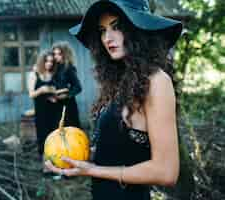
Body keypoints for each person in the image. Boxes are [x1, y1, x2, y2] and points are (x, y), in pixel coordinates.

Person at [46, 0, 183, 199]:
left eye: (117, 27)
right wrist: (73, 156)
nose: (107, 38)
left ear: (138, 29)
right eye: (102, 30)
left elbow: (166, 172)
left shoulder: (157, 82)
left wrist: (92, 170)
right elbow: (120, 151)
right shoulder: (121, 81)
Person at [27, 50, 58, 160]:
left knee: (54, 137)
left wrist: (54, 95)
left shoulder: (52, 74)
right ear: (41, 61)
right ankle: (46, 166)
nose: (49, 64)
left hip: (54, 111)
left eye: (51, 61)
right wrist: (41, 90)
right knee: (43, 137)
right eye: (46, 61)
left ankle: (55, 163)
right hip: (41, 112)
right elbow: (31, 94)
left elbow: (56, 91)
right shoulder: (34, 74)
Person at [51, 41, 82, 128]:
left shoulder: (69, 68)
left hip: (68, 106)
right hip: (55, 105)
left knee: (70, 130)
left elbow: (78, 87)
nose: (56, 56)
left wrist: (67, 95)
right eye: (54, 54)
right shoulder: (53, 68)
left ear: (65, 54)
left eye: (59, 54)